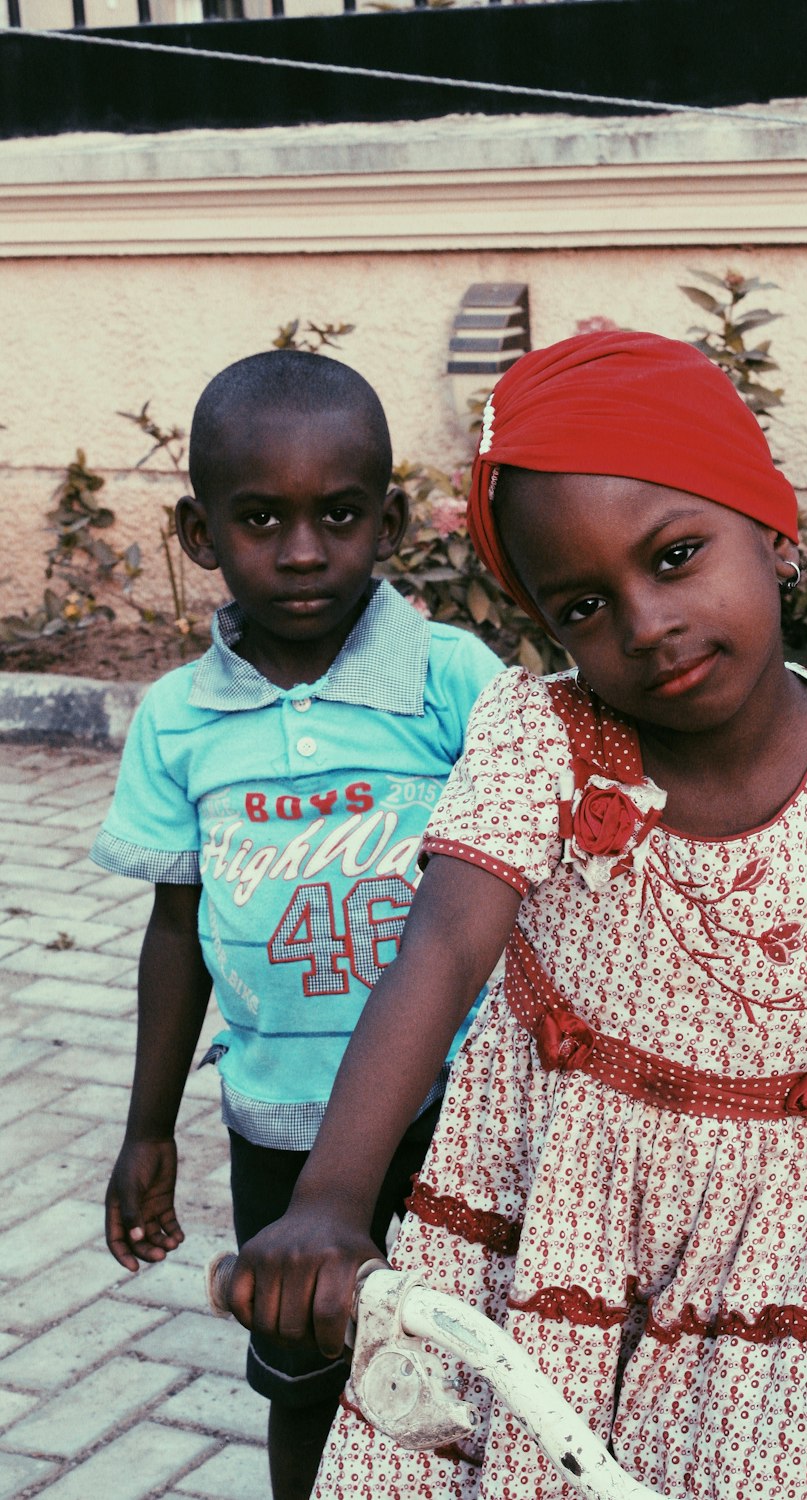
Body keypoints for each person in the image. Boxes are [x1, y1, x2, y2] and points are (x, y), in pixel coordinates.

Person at [229, 332, 807, 1500]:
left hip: (805, 1239)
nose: (643, 624)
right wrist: (332, 1198)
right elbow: (440, 948)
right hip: (564, 1214)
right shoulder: (541, 739)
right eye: (585, 604)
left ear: (772, 530)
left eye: (676, 556)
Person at [91, 349, 503, 1500]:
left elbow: (537, 885)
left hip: (460, 1113)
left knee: (484, 1372)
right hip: (280, 1124)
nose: (306, 550)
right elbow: (177, 933)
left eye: (338, 514)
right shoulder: (178, 723)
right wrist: (148, 1130)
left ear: (389, 518)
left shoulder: (452, 684)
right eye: (261, 517)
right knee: (305, 1375)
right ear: (198, 531)